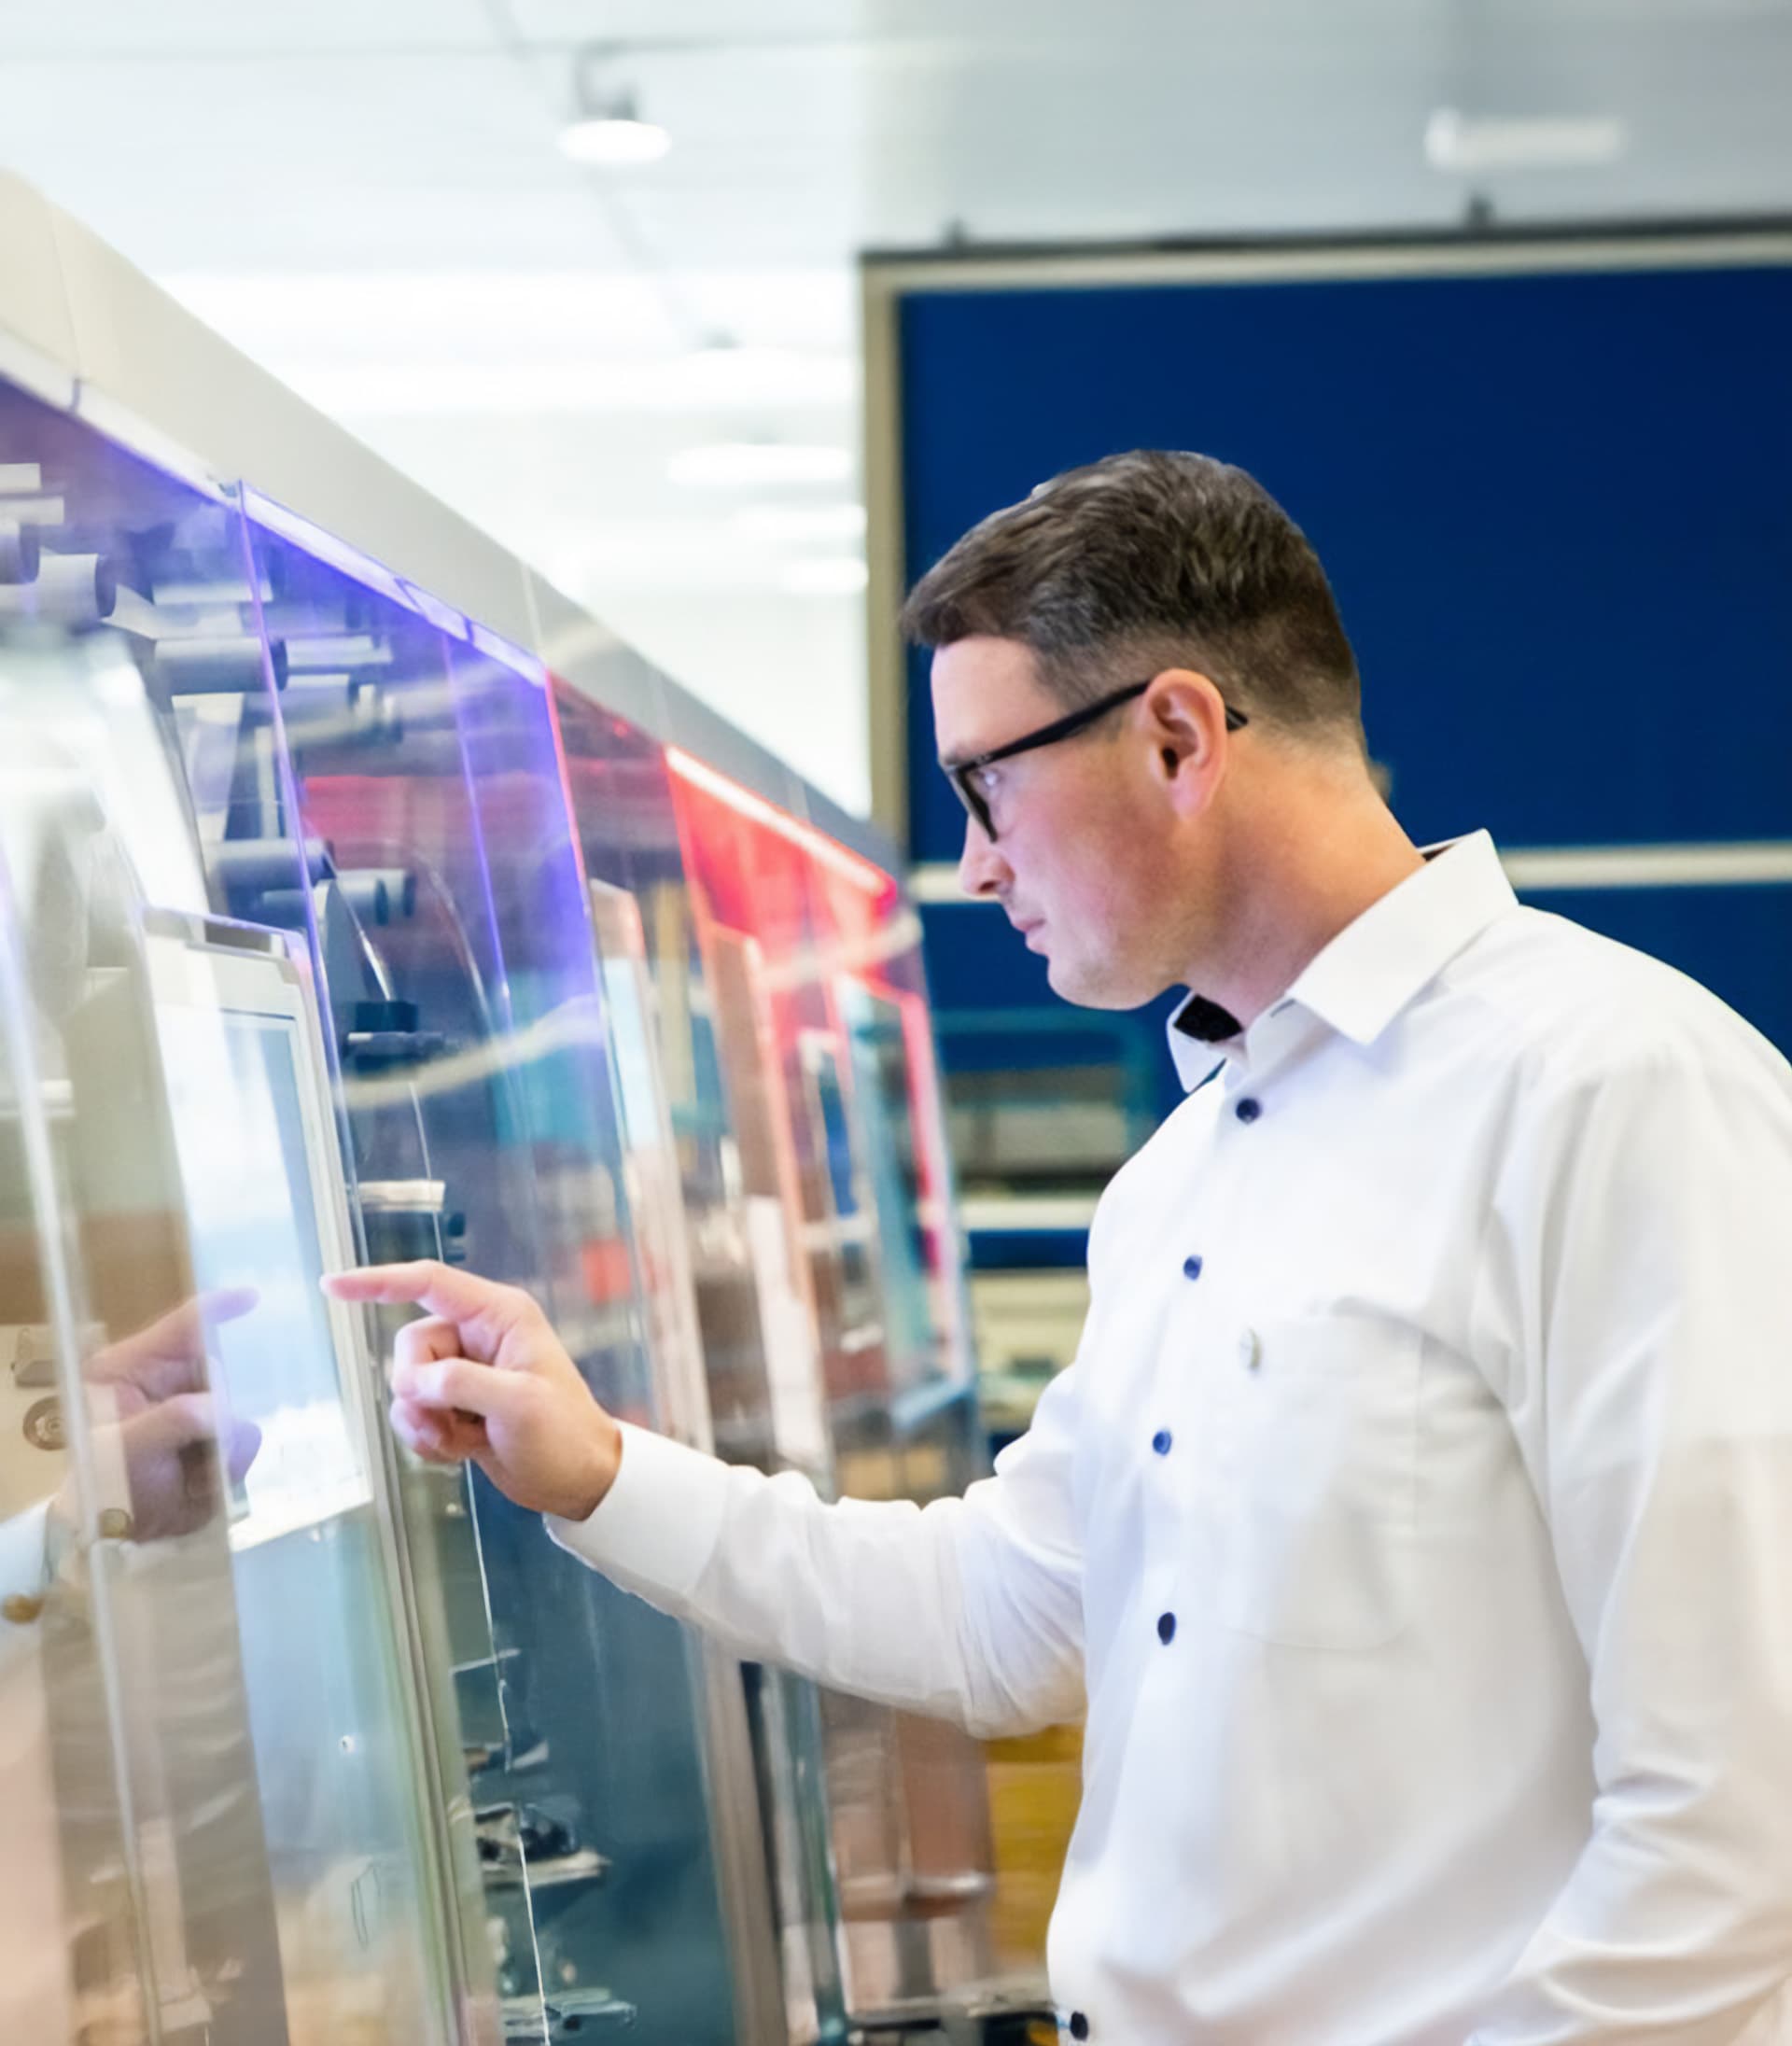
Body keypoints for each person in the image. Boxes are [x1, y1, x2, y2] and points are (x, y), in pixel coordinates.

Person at [327, 450, 1792, 2045]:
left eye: (983, 784)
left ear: (1177, 736)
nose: (974, 865)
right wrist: (598, 1468)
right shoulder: (1183, 1177)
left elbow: (1739, 1827)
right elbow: (1009, 1614)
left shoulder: (1614, 1089)